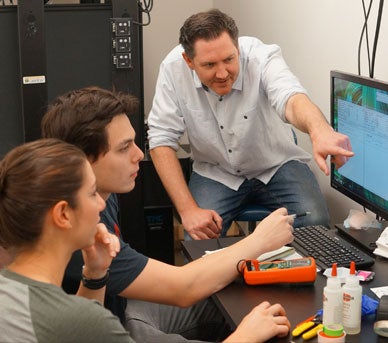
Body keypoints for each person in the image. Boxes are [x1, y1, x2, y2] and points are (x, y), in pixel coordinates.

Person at [41, 86, 294, 342]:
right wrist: (260, 241)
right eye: (124, 148)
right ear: (83, 159)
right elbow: (184, 287)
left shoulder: (100, 193)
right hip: (115, 332)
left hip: (115, 313)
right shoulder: (76, 225)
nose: (139, 155)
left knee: (243, 299)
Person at [147, 9, 355, 240]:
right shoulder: (173, 68)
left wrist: (320, 130)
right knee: (197, 238)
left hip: (276, 164)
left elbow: (291, 98)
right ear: (189, 61)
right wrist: (187, 210)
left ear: (237, 48)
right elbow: (160, 139)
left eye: (229, 59)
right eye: (209, 65)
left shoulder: (260, 56)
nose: (222, 73)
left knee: (315, 223)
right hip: (215, 171)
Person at [0, 138, 133, 342]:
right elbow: (77, 324)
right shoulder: (85, 321)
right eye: (92, 193)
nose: (101, 204)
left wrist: (95, 274)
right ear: (63, 214)